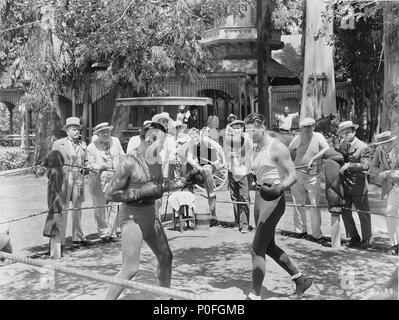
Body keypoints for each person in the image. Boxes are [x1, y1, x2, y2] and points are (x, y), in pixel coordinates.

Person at [244, 113, 312, 300]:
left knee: (257, 248)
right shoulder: (255, 149)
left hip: (274, 199)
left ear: (262, 126)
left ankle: (254, 295)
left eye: (253, 130)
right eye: (248, 131)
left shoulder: (278, 147)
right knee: (269, 246)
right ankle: (301, 280)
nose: (250, 134)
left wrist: (279, 187)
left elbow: (293, 175)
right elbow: (250, 171)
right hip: (259, 198)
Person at [104, 122, 176, 299]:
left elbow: (158, 186)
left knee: (166, 257)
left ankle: (165, 299)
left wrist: (184, 182)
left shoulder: (156, 160)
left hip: (150, 215)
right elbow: (110, 195)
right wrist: (139, 192)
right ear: (148, 139)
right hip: (132, 217)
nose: (162, 147)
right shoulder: (128, 161)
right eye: (160, 142)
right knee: (130, 269)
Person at [288, 117, 330, 242]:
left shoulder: (318, 136)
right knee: (298, 203)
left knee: (314, 205)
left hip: (313, 176)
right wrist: (289, 166)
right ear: (301, 128)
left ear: (313, 127)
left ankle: (317, 234)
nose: (306, 131)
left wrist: (314, 158)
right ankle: (300, 231)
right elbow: (288, 150)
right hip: (298, 173)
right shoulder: (297, 138)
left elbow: (326, 148)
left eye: (309, 128)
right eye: (304, 128)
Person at [52, 117, 90, 247]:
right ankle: (60, 240)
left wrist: (87, 165)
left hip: (78, 178)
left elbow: (85, 161)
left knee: (77, 207)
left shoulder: (83, 144)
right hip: (65, 178)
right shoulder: (59, 144)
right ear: (67, 131)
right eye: (74, 129)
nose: (77, 132)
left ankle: (78, 237)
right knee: (63, 208)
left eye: (78, 129)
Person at [87, 122, 125, 242]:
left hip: (114, 178)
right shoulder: (91, 147)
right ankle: (103, 233)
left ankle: (112, 232)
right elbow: (90, 163)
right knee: (100, 208)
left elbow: (122, 155)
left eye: (107, 131)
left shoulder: (116, 141)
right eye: (103, 132)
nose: (106, 134)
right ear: (98, 134)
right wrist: (98, 167)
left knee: (114, 206)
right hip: (99, 180)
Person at [337, 120, 372, 249]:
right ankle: (354, 237)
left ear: (354, 131)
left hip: (359, 185)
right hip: (345, 185)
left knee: (363, 213)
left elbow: (366, 166)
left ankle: (366, 239)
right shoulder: (342, 144)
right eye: (343, 133)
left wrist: (349, 165)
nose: (345, 135)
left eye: (348, 132)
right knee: (345, 212)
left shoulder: (363, 146)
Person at [186, 127, 226, 226]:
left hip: (213, 163)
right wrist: (199, 168)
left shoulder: (205, 140)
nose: (194, 140)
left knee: (208, 170)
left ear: (199, 135)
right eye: (192, 138)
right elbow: (190, 159)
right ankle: (192, 213)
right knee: (188, 175)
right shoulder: (191, 143)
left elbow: (220, 148)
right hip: (201, 166)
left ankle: (211, 195)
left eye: (195, 137)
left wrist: (224, 162)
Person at [370, 131, 399, 255]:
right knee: (390, 212)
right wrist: (382, 172)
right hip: (391, 187)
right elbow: (372, 168)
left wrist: (387, 173)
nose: (382, 147)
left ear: (391, 142)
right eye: (380, 145)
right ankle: (395, 245)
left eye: (385, 144)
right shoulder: (379, 152)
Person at [223, 119, 253, 233]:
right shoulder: (229, 141)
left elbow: (250, 152)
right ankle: (237, 222)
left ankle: (244, 224)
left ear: (242, 129)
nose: (236, 130)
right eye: (234, 128)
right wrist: (228, 156)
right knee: (234, 197)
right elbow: (226, 155)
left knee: (244, 198)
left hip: (244, 173)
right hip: (232, 172)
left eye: (239, 128)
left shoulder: (247, 140)